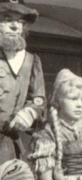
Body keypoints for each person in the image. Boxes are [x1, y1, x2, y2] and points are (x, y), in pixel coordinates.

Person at [0, 0, 45, 164]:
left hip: (10, 146)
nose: (15, 26)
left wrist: (30, 112)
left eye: (20, 22)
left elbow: (39, 100)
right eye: (7, 19)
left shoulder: (31, 61)